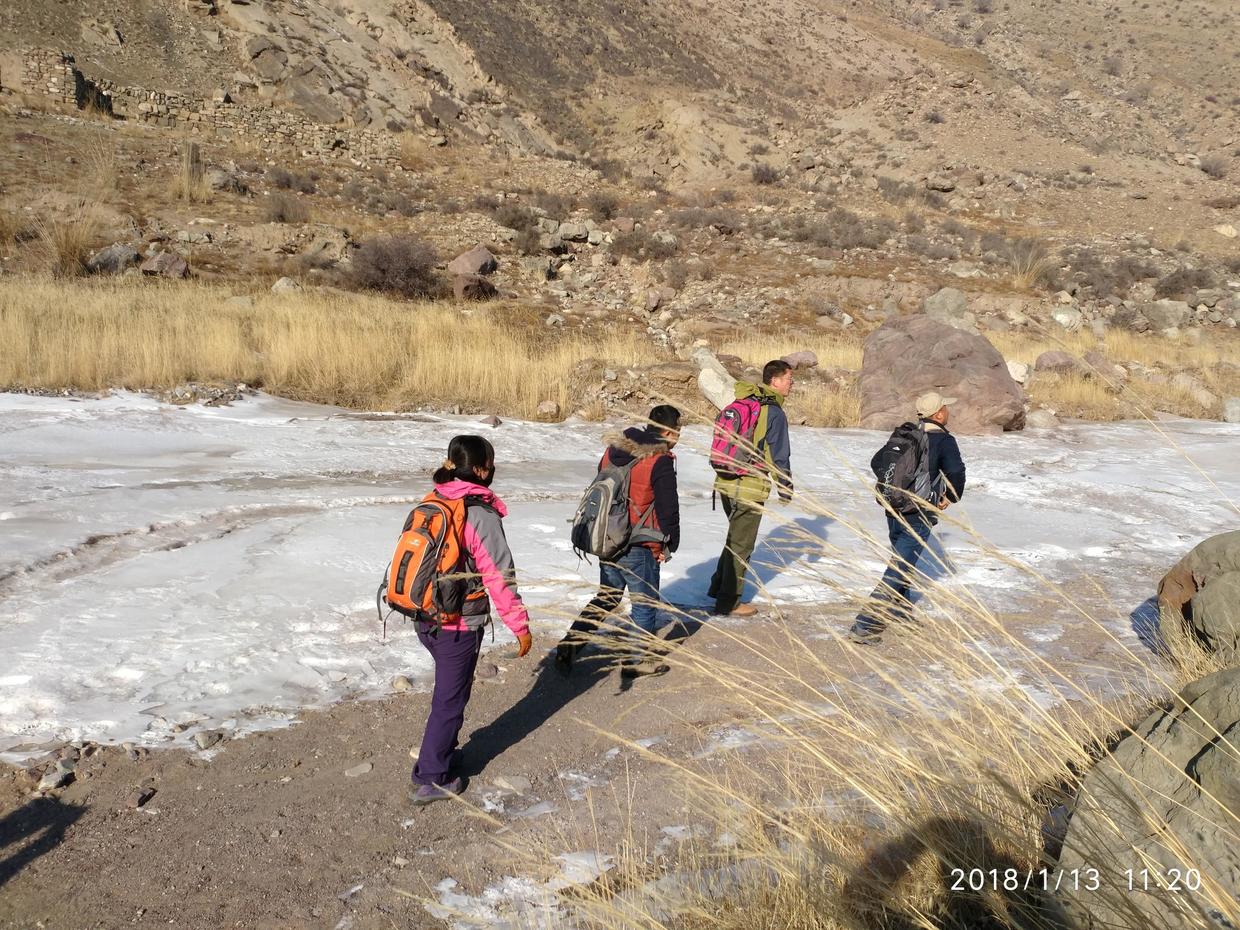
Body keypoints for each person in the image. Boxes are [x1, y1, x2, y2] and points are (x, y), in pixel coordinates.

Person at [409, 435, 533, 805]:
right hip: (457, 624)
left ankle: (440, 757)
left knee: (449, 695)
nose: (493, 470)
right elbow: (499, 575)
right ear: (480, 469)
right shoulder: (478, 513)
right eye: (491, 463)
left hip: (424, 616)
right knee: (449, 700)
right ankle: (431, 777)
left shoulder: (433, 500)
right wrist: (520, 627)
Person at [556, 405, 682, 678]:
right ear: (671, 432)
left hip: (607, 537)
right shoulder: (659, 460)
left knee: (607, 595)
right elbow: (668, 510)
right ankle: (638, 660)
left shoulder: (613, 452)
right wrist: (669, 544)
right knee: (645, 603)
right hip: (640, 543)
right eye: (679, 432)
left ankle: (571, 643)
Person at [848, 392, 966, 645]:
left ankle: (900, 612)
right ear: (939, 414)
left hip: (893, 506)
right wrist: (949, 497)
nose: (948, 411)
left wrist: (898, 486)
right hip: (919, 510)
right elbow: (956, 472)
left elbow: (877, 461)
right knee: (899, 565)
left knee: (902, 560)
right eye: (946, 407)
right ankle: (864, 624)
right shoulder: (944, 440)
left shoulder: (905, 434)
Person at [709, 360, 794, 617]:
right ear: (775, 381)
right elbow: (779, 454)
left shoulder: (742, 402)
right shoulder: (774, 413)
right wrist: (785, 486)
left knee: (735, 539)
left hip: (724, 482)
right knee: (741, 546)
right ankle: (728, 602)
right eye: (789, 379)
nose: (792, 384)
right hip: (750, 486)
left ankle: (717, 587)